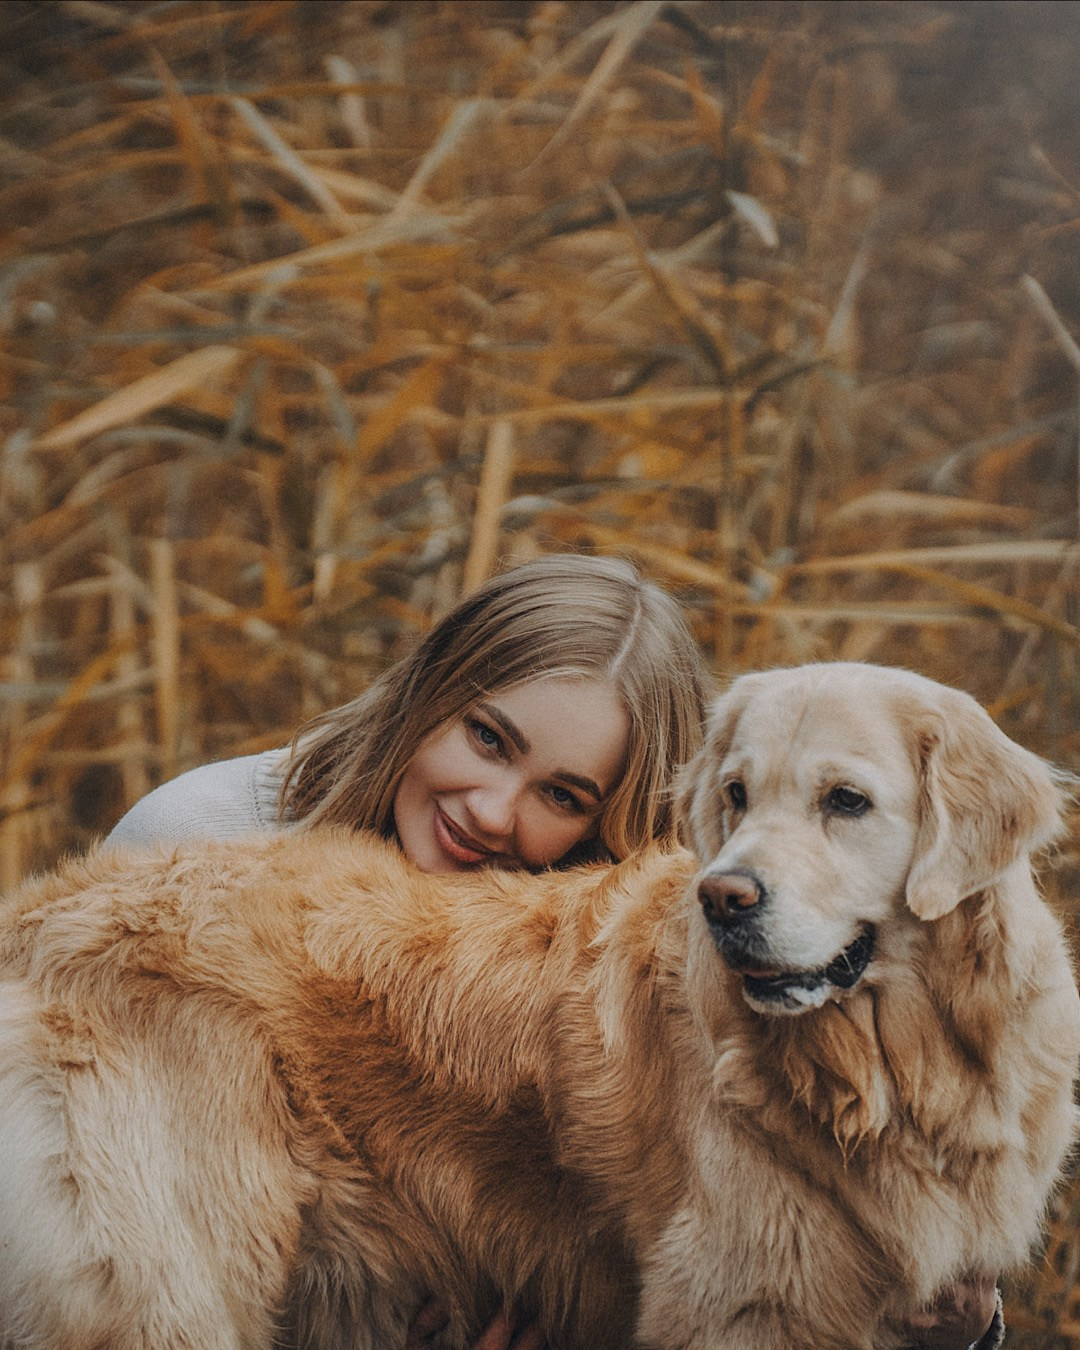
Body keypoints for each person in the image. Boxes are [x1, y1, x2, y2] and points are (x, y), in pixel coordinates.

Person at [105, 552, 1000, 1350]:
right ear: (431, 690)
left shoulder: (603, 972)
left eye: (562, 797)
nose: (492, 811)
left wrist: (964, 1328)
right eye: (487, 739)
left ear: (605, 829)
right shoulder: (195, 846)